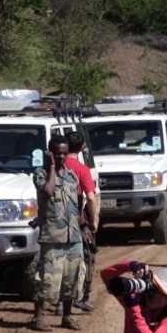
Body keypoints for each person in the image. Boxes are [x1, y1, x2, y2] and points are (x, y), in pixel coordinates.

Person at [30, 133, 84, 331]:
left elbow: (78, 201)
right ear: (50, 153)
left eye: (64, 153)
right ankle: (38, 318)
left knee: (72, 278)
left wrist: (83, 225)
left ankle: (67, 316)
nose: (61, 156)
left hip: (73, 235)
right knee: (47, 278)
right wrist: (52, 167)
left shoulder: (72, 175)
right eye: (57, 153)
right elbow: (48, 191)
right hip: (53, 236)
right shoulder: (41, 174)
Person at [66, 131, 99, 312]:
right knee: (87, 259)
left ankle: (60, 301)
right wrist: (93, 221)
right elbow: (91, 198)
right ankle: (82, 297)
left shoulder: (56, 166)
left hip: (56, 223)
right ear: (83, 147)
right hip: (78, 222)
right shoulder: (82, 169)